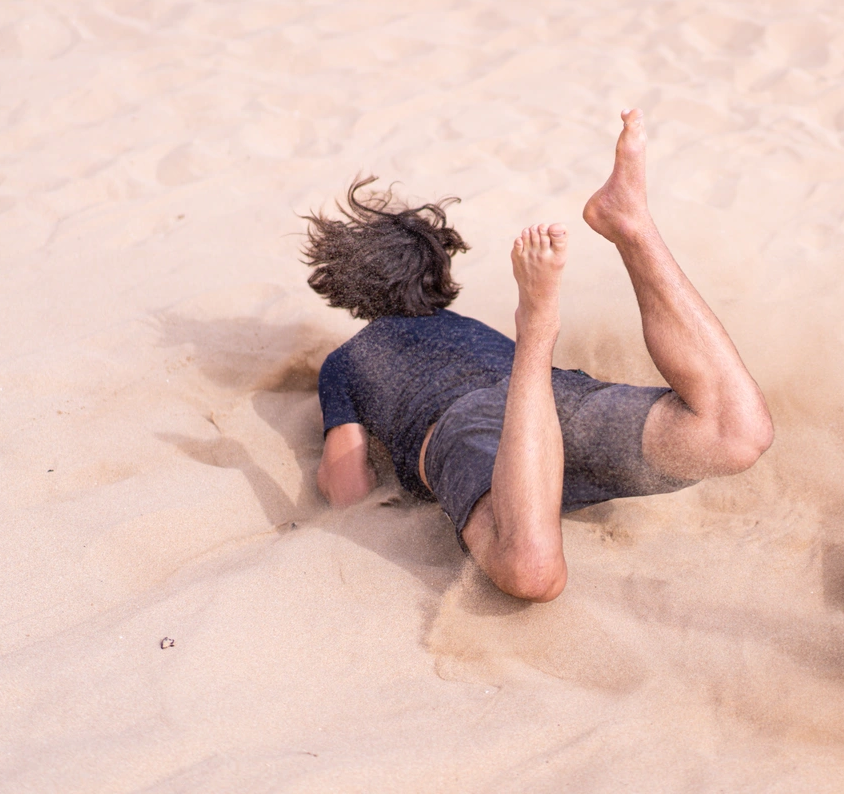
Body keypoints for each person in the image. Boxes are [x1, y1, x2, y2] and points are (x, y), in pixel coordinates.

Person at [303, 110, 774, 602]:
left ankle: (537, 327)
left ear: (349, 289)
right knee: (736, 434)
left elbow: (349, 489)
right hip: (549, 398)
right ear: (434, 271)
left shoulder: (350, 358)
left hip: (465, 425)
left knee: (531, 572)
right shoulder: (467, 327)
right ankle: (632, 226)